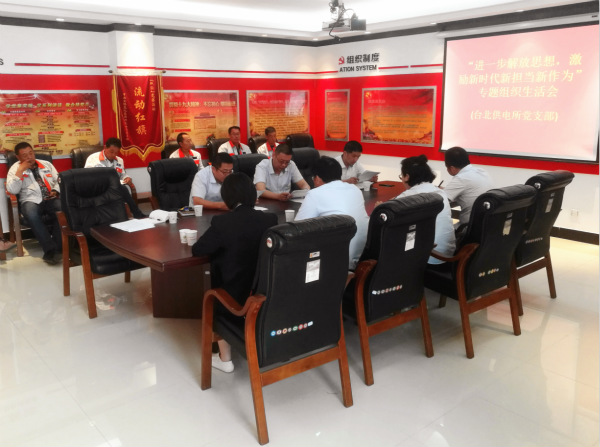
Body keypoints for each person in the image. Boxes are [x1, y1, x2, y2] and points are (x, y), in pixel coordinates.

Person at [192, 173, 278, 373]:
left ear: (227, 197)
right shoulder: (270, 219)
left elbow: (199, 249)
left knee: (217, 292)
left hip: (234, 299)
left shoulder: (223, 223)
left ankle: (225, 359)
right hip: (264, 294)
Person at [295, 156, 368, 270]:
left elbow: (298, 229)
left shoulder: (315, 194)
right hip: (362, 257)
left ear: (317, 178)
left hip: (337, 263)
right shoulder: (355, 189)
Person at [6, 142, 62, 265]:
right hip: (30, 200)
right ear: (18, 157)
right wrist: (20, 171)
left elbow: (59, 180)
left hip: (50, 198)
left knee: (62, 209)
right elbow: (12, 190)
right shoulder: (15, 169)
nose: (29, 157)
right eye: (25, 155)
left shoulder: (46, 164)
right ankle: (50, 250)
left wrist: (55, 190)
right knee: (31, 214)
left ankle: (58, 248)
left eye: (31, 153)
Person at [396, 155, 456, 264]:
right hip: (447, 254)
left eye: (402, 176)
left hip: (426, 259)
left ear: (407, 177)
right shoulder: (440, 192)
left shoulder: (408, 196)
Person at [84, 137, 146, 218]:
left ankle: (128, 215)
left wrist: (126, 178)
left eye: (116, 153)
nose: (113, 155)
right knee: (123, 189)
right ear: (105, 148)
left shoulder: (119, 160)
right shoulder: (93, 158)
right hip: (98, 187)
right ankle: (137, 214)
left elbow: (122, 174)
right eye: (111, 152)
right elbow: (87, 176)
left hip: (113, 188)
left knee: (122, 189)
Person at [443, 146, 493, 226]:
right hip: (487, 222)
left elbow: (441, 200)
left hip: (468, 227)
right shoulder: (482, 171)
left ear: (452, 168)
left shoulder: (461, 178)